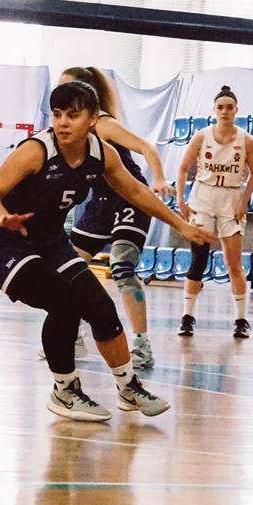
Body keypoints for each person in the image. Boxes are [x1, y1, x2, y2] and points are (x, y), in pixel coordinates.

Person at [0, 80, 215, 423]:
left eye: (72, 115)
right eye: (57, 114)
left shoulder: (101, 153)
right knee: (63, 302)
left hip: (51, 242)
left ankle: (128, 388)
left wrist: (181, 225)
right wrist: (2, 216)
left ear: (93, 118)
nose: (62, 122)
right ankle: (64, 391)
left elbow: (136, 192)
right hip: (7, 243)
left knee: (101, 307)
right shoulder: (36, 151)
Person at [59, 66, 172, 369]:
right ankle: (74, 337)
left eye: (67, 87)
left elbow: (147, 148)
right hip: (100, 205)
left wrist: (159, 179)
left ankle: (142, 346)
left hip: (130, 200)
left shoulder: (104, 124)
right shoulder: (68, 130)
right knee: (67, 270)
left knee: (122, 267)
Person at [176, 86, 253, 339]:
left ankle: (241, 319)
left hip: (231, 198)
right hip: (203, 196)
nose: (225, 111)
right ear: (214, 110)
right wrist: (181, 199)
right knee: (198, 258)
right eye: (220, 107)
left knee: (233, 263)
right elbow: (183, 168)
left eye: (229, 107)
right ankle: (187, 317)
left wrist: (244, 200)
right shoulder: (202, 136)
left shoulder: (246, 140)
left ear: (236, 110)